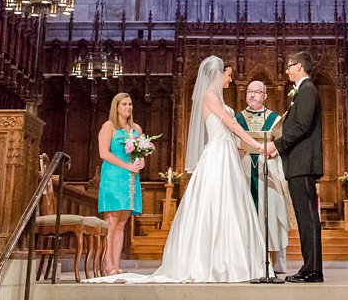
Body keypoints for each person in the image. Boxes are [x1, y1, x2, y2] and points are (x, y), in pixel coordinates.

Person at [88, 56, 266, 283]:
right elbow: (230, 124)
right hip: (217, 154)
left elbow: (227, 128)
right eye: (229, 75)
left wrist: (240, 147)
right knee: (215, 204)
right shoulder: (209, 96)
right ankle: (213, 261)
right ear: (218, 74)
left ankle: (230, 259)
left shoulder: (216, 98)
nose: (230, 80)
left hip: (227, 152)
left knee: (229, 204)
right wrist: (256, 144)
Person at [271, 51, 324, 282]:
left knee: (308, 217)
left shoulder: (308, 90)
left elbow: (302, 126)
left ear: (300, 67)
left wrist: (277, 145)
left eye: (289, 66)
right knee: (304, 217)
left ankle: (313, 269)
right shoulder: (303, 91)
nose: (286, 70)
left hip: (303, 163)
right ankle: (309, 266)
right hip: (297, 163)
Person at [236, 79, 289, 275]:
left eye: (257, 92)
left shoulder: (275, 119)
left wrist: (275, 151)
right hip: (244, 168)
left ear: (265, 96)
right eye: (249, 91)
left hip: (269, 169)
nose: (252, 95)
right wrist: (236, 148)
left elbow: (283, 143)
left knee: (272, 211)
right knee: (246, 211)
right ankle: (247, 259)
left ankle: (278, 261)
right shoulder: (237, 118)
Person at [95, 92, 146, 274]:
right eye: (124, 104)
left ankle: (116, 265)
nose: (128, 107)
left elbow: (140, 153)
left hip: (130, 178)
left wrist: (140, 162)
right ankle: (107, 264)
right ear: (116, 107)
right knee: (112, 221)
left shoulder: (136, 129)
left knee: (122, 222)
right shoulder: (109, 127)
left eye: (130, 104)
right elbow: (104, 153)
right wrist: (126, 165)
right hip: (113, 175)